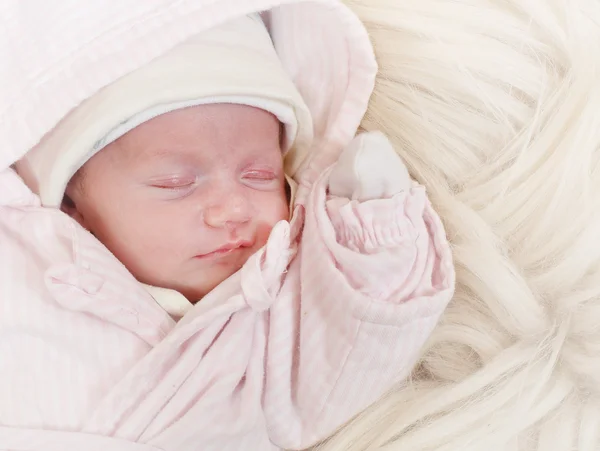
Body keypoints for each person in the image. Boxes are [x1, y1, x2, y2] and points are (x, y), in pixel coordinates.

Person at [2, 8, 454, 451]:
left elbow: (352, 353)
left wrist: (374, 239)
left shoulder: (267, 307)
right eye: (176, 184)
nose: (233, 208)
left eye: (259, 175)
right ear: (71, 204)